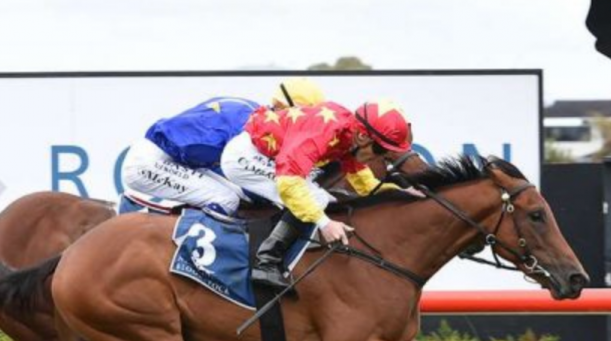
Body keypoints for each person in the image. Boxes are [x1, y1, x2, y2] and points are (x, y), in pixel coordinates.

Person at [220, 99, 413, 289]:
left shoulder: (350, 132)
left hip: (265, 154)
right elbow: (288, 184)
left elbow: (364, 183)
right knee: (315, 198)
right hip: (244, 157)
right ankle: (266, 262)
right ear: (363, 137)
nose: (381, 156)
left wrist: (400, 193)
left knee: (326, 198)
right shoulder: (324, 133)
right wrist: (325, 224)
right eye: (380, 149)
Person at [120, 78, 326, 215]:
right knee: (225, 199)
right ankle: (191, 257)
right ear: (283, 109)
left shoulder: (256, 114)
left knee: (232, 195)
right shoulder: (251, 127)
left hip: (170, 158)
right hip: (150, 162)